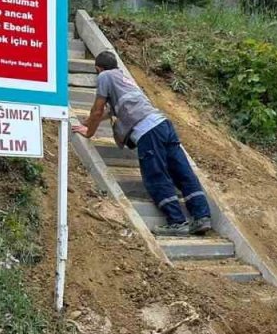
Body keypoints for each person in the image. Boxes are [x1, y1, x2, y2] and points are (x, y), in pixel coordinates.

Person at [72, 51, 212, 237]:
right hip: (163, 124)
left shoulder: (104, 76)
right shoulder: (123, 79)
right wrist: (87, 121)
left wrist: (88, 131)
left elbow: (98, 110)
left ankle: (177, 222)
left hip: (147, 132)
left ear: (98, 69)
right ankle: (202, 217)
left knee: (156, 176)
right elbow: (113, 111)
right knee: (182, 172)